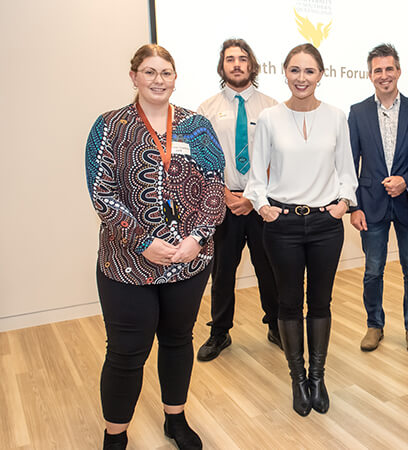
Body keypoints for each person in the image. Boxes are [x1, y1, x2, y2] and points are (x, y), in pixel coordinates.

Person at [85, 44, 225, 449]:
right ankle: (116, 434)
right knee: (127, 352)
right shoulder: (109, 126)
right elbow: (102, 194)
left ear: (175, 78)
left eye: (165, 72)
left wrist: (197, 238)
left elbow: (215, 188)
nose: (158, 80)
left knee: (179, 339)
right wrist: (143, 241)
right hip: (128, 262)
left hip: (187, 262)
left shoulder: (196, 126)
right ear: (134, 77)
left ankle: (175, 420)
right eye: (149, 72)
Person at [244, 43, 358, 417]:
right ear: (285, 73)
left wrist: (343, 203)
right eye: (295, 70)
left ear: (321, 75)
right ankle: (297, 379)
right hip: (283, 225)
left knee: (321, 302)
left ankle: (318, 377)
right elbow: (256, 175)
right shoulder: (271, 118)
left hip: (326, 224)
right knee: (289, 303)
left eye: (309, 71)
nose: (302, 78)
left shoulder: (337, 116)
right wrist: (263, 207)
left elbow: (346, 171)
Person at [196, 38, 281, 362]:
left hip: (261, 203)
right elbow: (202, 160)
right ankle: (220, 332)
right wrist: (228, 195)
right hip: (224, 202)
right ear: (222, 66)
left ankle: (275, 325)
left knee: (269, 269)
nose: (236, 64)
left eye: (242, 59)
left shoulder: (272, 107)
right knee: (223, 272)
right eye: (230, 59)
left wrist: (252, 196)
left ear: (252, 65)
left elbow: (278, 158)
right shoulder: (207, 109)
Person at [348, 43, 408, 354]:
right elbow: (349, 162)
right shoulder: (357, 112)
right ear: (370, 75)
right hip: (370, 205)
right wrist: (353, 207)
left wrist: (407, 181)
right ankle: (374, 325)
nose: (384, 75)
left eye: (389, 69)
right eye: (377, 70)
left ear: (398, 71)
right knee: (373, 270)